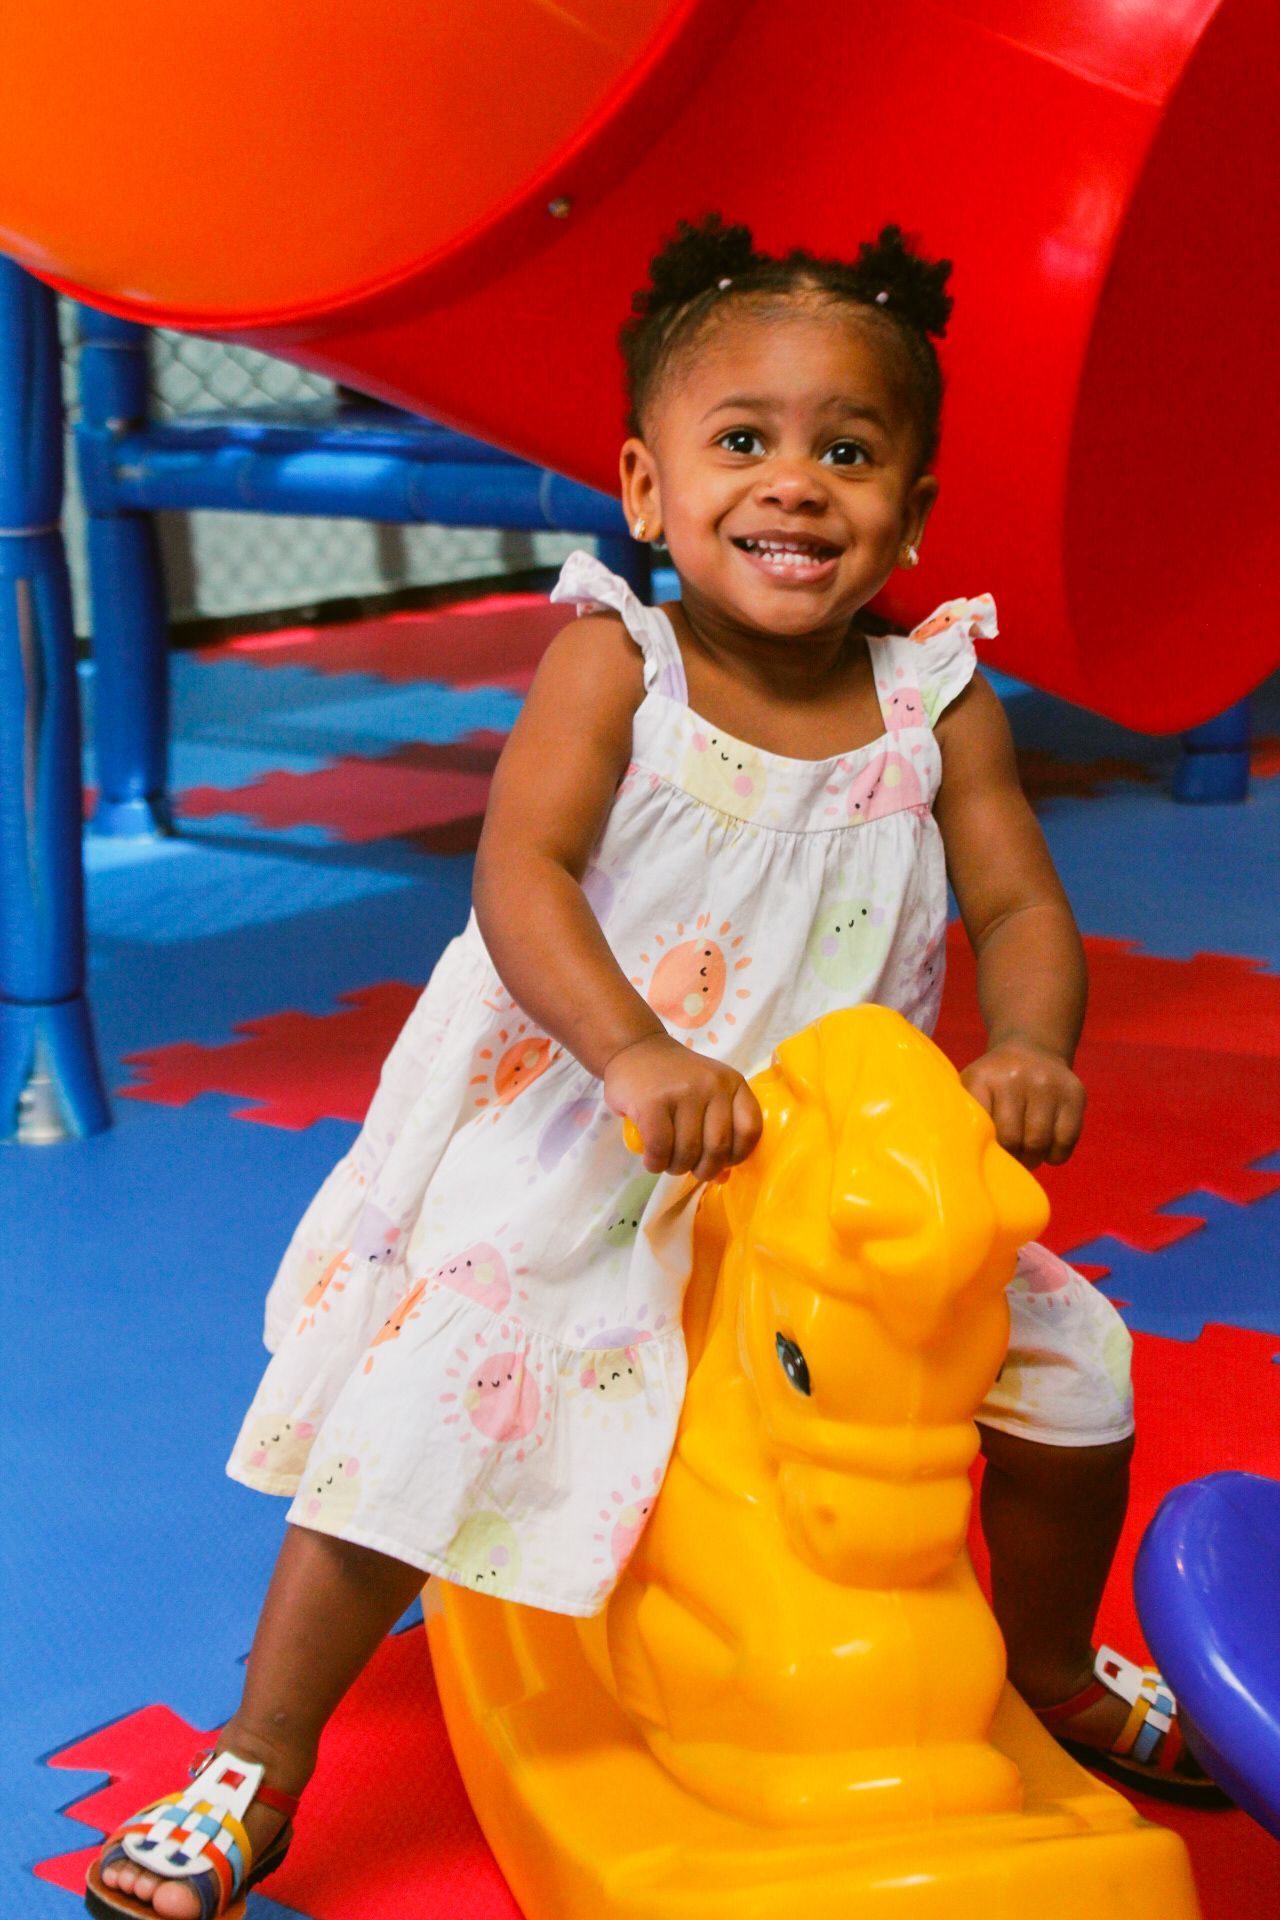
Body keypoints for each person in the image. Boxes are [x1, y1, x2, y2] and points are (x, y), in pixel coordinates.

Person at [89, 213, 1219, 1920]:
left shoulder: (941, 701)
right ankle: (261, 1754)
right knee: (430, 1402)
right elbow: (519, 875)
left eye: (849, 451)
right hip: (606, 1128)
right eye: (743, 443)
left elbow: (1017, 899)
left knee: (1080, 1368)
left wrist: (1034, 1047)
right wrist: (632, 1049)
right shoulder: (618, 662)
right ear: (645, 484)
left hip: (831, 1176)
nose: (795, 485)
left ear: (912, 511)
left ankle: (1051, 1664)